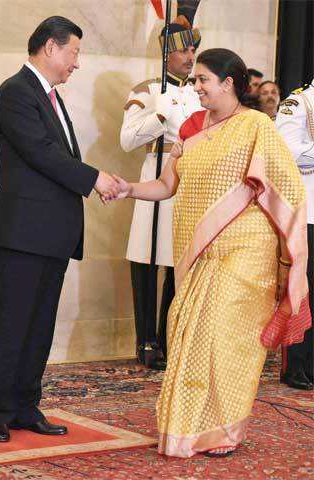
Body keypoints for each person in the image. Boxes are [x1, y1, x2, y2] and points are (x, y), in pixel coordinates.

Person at [111, 48, 310, 457]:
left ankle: (223, 430)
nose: (196, 86)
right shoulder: (190, 128)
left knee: (225, 337)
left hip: (246, 250)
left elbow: (286, 188)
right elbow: (168, 186)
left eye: (203, 79)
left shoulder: (257, 126)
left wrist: (290, 254)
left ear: (228, 83)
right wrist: (130, 189)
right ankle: (188, 427)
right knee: (188, 331)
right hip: (199, 252)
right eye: (195, 79)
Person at [0, 16, 119, 443]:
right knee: (12, 323)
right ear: (51, 48)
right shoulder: (16, 91)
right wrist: (95, 178)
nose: (76, 62)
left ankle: (25, 405)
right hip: (21, 232)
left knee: (39, 325)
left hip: (50, 234)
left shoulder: (50, 97)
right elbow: (40, 153)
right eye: (74, 52)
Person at [120, 11, 202, 370]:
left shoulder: (200, 91)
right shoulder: (148, 90)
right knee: (146, 256)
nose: (190, 58)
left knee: (176, 259)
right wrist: (158, 116)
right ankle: (146, 341)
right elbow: (126, 141)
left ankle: (169, 336)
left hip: (189, 178)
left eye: (193, 52)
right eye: (184, 52)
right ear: (167, 52)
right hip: (157, 169)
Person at [276, 81, 314, 390]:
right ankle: (296, 364)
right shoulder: (299, 102)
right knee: (302, 289)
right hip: (307, 210)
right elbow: (288, 149)